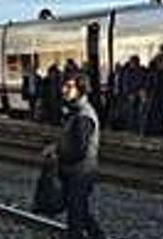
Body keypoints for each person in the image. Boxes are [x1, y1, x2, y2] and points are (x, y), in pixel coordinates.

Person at [44, 72, 105, 239]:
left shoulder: (83, 116)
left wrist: (57, 153)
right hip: (76, 173)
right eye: (64, 86)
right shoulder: (75, 111)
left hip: (80, 174)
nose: (63, 90)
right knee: (80, 211)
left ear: (80, 89)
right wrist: (57, 146)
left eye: (69, 87)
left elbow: (79, 150)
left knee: (75, 219)